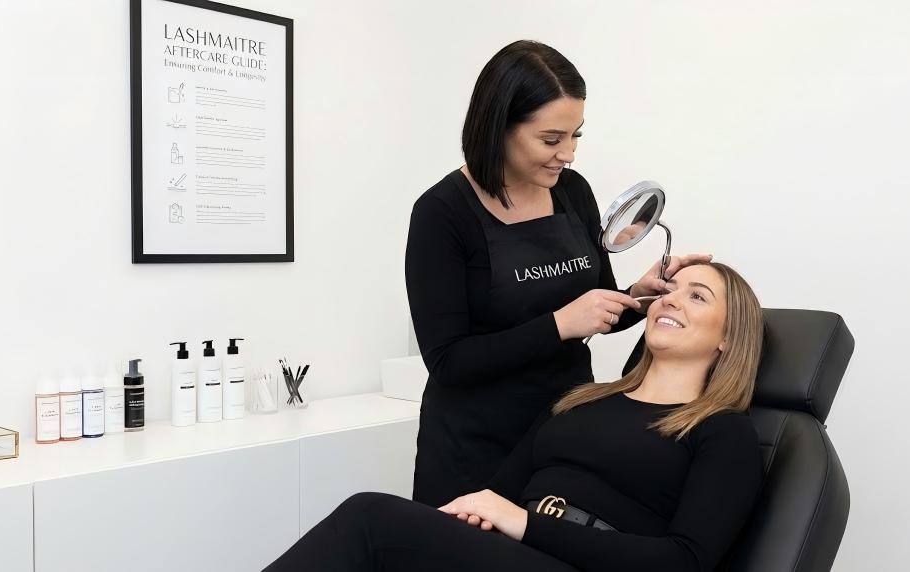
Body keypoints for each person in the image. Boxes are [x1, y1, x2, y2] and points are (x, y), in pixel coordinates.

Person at [265, 262, 765, 571]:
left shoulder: (722, 431)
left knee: (370, 518)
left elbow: (685, 562)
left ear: (729, 337)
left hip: (579, 560)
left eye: (697, 295)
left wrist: (525, 525)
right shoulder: (580, 400)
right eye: (671, 289)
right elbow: (496, 498)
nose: (672, 298)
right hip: (518, 551)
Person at [405, 39, 708, 508]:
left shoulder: (572, 192)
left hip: (561, 433)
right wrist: (560, 324)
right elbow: (448, 361)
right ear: (498, 128)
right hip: (473, 447)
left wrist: (637, 295)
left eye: (576, 136)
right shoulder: (441, 213)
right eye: (551, 140)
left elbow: (595, 306)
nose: (567, 154)